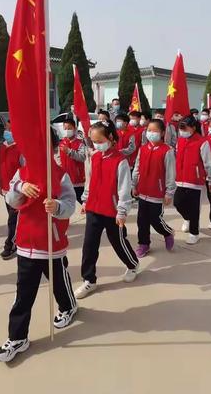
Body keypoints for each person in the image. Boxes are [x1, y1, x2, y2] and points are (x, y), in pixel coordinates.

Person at [0, 129, 77, 363]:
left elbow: (71, 205)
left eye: (41, 146)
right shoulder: (22, 172)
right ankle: (18, 338)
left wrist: (58, 206)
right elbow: (11, 200)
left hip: (51, 244)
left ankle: (68, 305)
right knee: (23, 294)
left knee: (59, 282)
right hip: (26, 244)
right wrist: (20, 188)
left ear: (51, 147)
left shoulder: (60, 175)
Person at [75, 121, 139, 299]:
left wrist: (122, 211)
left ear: (110, 137)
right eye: (93, 141)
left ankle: (133, 264)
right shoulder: (94, 157)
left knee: (118, 242)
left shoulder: (121, 161)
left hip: (112, 212)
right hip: (94, 209)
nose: (96, 144)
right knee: (89, 246)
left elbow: (124, 189)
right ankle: (89, 280)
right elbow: (90, 180)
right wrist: (86, 200)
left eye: (99, 140)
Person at [132, 119, 175, 257]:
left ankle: (167, 232)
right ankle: (143, 244)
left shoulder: (167, 151)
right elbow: (137, 168)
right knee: (142, 220)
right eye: (149, 130)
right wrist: (134, 185)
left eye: (155, 131)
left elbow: (170, 173)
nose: (151, 133)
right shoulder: (143, 148)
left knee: (155, 220)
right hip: (143, 190)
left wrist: (169, 192)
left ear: (162, 133)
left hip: (157, 192)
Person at [174, 116, 211, 245]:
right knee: (178, 202)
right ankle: (187, 218)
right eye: (180, 128)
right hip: (180, 178)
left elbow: (208, 162)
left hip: (195, 179)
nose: (182, 131)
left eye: (185, 128)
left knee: (193, 207)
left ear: (193, 127)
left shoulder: (202, 142)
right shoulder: (180, 140)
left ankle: (194, 232)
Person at [0, 121, 22, 260]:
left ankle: (10, 246)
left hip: (17, 191)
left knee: (13, 220)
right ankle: (18, 240)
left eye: (11, 129)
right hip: (6, 189)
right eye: (6, 128)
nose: (7, 131)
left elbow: (25, 171)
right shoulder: (3, 147)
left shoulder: (21, 149)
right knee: (14, 219)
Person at [59, 118, 86, 204]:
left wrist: (69, 152)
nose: (67, 131)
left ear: (74, 128)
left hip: (77, 180)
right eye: (65, 128)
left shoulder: (80, 143)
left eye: (69, 128)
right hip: (65, 179)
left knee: (82, 200)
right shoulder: (62, 143)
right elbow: (59, 159)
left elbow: (82, 157)